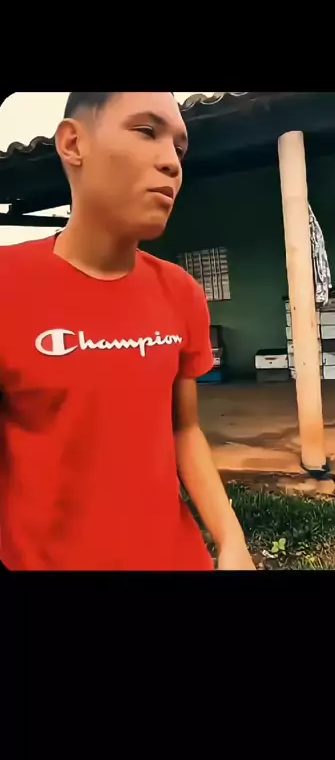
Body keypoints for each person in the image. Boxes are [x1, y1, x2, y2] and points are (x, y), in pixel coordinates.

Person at [0, 92, 255, 571]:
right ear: (73, 143)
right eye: (146, 131)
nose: (171, 163)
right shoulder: (6, 285)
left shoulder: (180, 292)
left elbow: (184, 428)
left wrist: (231, 540)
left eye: (179, 148)